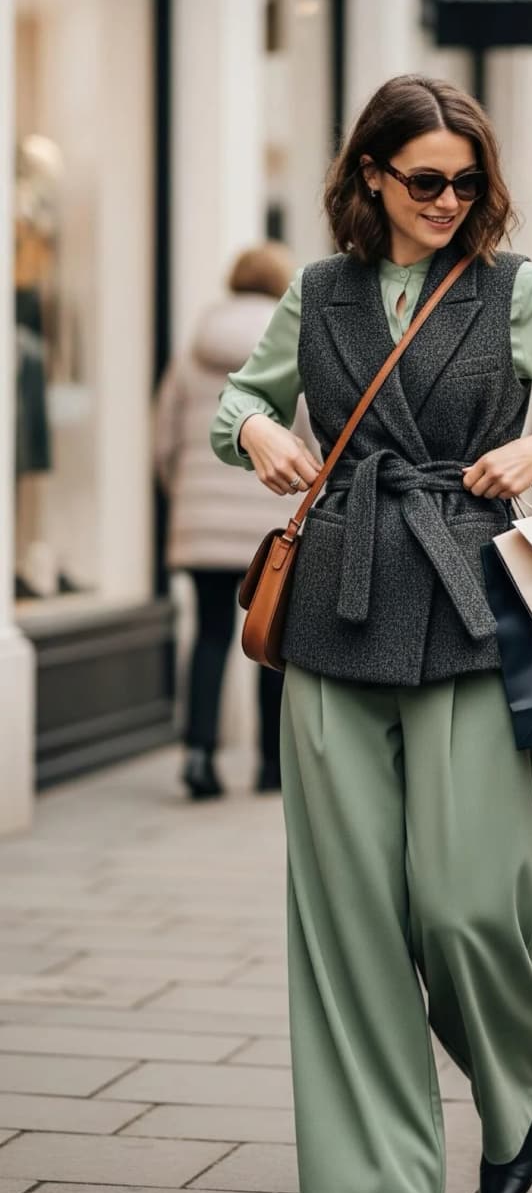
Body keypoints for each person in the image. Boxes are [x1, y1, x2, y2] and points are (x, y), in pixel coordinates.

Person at [210, 75, 532, 1193]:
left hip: (470, 606)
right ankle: (389, 1182)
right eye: (425, 180)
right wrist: (258, 431)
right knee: (350, 916)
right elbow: (238, 401)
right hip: (336, 610)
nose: (450, 200)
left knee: (466, 903)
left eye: (467, 180)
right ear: (371, 177)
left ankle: (507, 1089)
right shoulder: (316, 294)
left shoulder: (520, 293)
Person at [154, 242, 316, 799]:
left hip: (199, 524)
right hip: (269, 522)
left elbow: (165, 439)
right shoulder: (290, 345)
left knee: (209, 634)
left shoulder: (192, 349)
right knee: (269, 633)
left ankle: (199, 754)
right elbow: (311, 437)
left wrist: (185, 495)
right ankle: (271, 766)